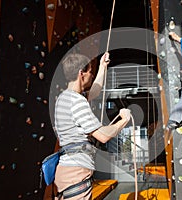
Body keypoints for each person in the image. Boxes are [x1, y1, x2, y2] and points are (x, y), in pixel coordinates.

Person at [54, 52, 131, 199]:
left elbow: (94, 91)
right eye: (90, 72)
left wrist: (102, 66)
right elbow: (103, 135)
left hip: (67, 169)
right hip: (76, 172)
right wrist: (124, 120)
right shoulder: (77, 101)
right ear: (81, 73)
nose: (91, 75)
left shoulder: (64, 98)